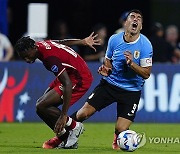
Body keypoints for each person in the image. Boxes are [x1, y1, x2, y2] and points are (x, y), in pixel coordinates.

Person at [70, 9, 153, 150]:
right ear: (126, 23)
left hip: (131, 92)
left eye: (139, 18)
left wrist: (132, 64)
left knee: (121, 129)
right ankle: (63, 133)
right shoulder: (114, 39)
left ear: (141, 26)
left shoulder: (145, 45)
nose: (135, 19)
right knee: (83, 113)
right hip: (110, 85)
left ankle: (117, 138)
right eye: (132, 17)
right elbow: (108, 61)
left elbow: (146, 74)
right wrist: (106, 69)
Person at [14, 32, 100, 149]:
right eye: (23, 57)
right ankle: (64, 136)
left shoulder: (50, 59)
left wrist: (63, 115)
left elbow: (67, 84)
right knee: (40, 107)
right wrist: (82, 41)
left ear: (33, 48)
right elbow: (61, 42)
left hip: (79, 78)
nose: (27, 59)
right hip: (68, 74)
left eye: (27, 55)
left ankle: (74, 127)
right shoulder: (40, 45)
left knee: (43, 105)